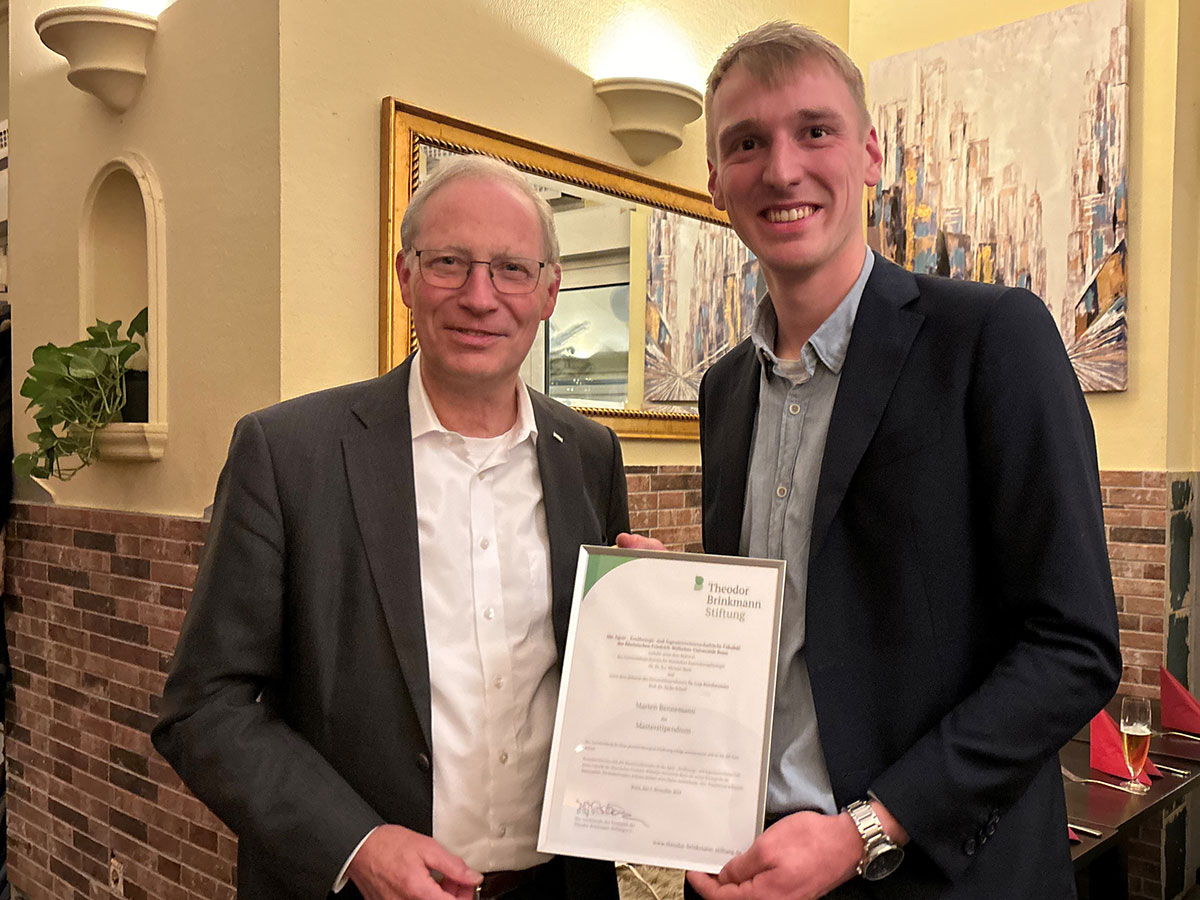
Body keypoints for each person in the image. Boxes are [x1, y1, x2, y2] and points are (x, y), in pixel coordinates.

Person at [624, 20, 1122, 900]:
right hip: (759, 865)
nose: (782, 170)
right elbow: (809, 620)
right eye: (747, 143)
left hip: (939, 872)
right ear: (714, 180)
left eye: (814, 130)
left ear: (869, 155)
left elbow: (1072, 647)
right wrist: (680, 601)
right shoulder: (724, 390)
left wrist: (867, 828)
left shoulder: (991, 337)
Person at [153, 155, 628, 900]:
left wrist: (648, 614)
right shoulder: (289, 453)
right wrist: (357, 845)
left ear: (548, 291)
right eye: (448, 263)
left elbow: (598, 679)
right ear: (405, 276)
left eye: (511, 269)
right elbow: (204, 707)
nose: (480, 296)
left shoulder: (589, 454)